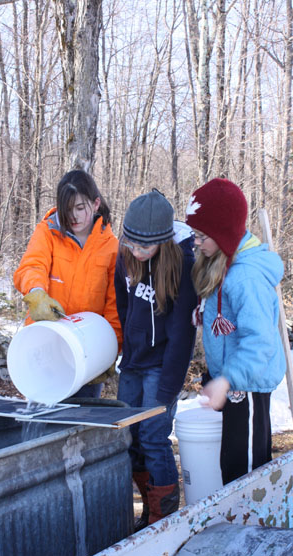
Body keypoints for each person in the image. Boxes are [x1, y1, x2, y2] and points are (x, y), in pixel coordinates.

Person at [185, 177, 286, 485]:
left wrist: (228, 380)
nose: (197, 243)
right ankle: (239, 526)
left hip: (249, 384)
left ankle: (253, 529)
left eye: (203, 236)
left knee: (248, 473)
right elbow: (225, 314)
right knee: (231, 466)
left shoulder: (245, 278)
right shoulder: (223, 262)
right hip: (233, 382)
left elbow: (260, 341)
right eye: (195, 235)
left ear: (224, 233)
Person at [115, 189, 197, 529]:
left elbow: (182, 336)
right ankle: (148, 512)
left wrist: (167, 391)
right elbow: (124, 304)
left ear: (162, 241)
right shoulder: (127, 254)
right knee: (127, 439)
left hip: (163, 367)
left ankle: (163, 519)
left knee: (152, 437)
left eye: (143, 247)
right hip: (134, 364)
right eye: (131, 244)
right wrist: (128, 352)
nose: (135, 251)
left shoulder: (183, 265)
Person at [14, 169, 122, 398]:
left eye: (80, 208)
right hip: (45, 343)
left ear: (95, 204)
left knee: (79, 425)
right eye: (68, 209)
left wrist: (111, 348)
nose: (73, 216)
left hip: (87, 349)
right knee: (43, 421)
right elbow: (32, 266)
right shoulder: (48, 232)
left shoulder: (110, 246)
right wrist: (37, 293)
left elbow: (114, 305)